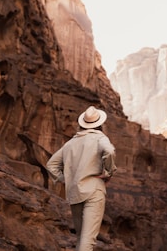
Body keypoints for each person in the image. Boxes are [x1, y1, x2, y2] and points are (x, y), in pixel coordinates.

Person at [46, 106, 117, 251]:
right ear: (100, 123)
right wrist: (109, 172)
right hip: (94, 190)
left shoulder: (71, 143)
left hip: (75, 193)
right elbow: (109, 151)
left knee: (80, 238)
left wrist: (65, 179)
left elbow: (51, 164)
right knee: (88, 240)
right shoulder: (100, 138)